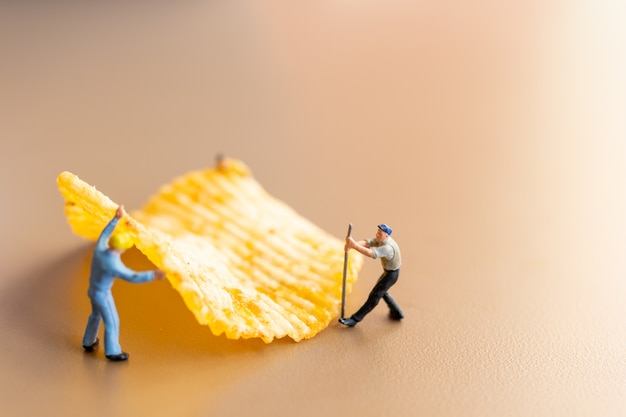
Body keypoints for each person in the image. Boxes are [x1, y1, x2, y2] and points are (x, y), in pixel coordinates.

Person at [82, 205, 165, 361]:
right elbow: (132, 276)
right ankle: (112, 351)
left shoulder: (100, 249)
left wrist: (116, 219)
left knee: (95, 315)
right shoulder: (113, 263)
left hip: (92, 290)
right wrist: (153, 275)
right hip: (102, 294)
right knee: (112, 321)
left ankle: (88, 341)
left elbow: (104, 235)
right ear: (121, 249)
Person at [339, 224, 404, 327]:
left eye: (379, 234)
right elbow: (368, 243)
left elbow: (371, 253)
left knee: (375, 295)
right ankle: (397, 312)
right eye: (377, 232)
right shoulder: (381, 239)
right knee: (383, 292)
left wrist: (354, 246)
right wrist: (352, 244)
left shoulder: (387, 248)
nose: (376, 235)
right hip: (388, 272)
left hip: (392, 274)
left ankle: (354, 319)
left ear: (386, 236)